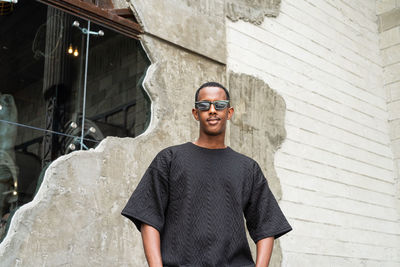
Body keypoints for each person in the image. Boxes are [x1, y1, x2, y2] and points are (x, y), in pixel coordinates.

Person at [121, 82, 292, 267]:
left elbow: (266, 224)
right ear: (196, 113)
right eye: (204, 105)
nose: (212, 110)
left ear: (229, 112)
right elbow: (148, 217)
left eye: (219, 105)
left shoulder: (247, 168)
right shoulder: (169, 159)